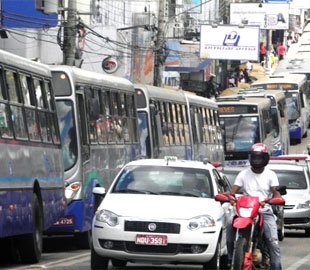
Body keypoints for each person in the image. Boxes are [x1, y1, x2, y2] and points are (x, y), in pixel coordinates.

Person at [224, 143, 283, 270]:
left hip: (263, 209)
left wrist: (276, 198)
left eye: (259, 158)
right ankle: (230, 258)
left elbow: (276, 192)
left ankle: (276, 267)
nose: (256, 160)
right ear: (250, 158)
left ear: (265, 159)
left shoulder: (271, 174)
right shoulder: (243, 174)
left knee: (273, 242)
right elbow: (233, 192)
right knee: (229, 222)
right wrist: (228, 196)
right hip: (245, 209)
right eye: (254, 157)